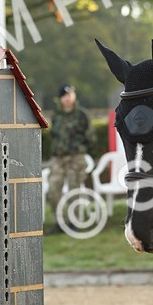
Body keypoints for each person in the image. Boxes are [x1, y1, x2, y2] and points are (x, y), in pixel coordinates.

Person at [45, 83, 92, 229]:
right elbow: (54, 135)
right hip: (58, 158)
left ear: (74, 95)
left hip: (76, 157)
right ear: (60, 99)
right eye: (64, 96)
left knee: (74, 189)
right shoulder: (56, 115)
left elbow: (90, 137)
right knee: (53, 189)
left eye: (70, 94)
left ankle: (75, 222)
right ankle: (60, 222)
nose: (68, 98)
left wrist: (82, 151)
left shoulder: (82, 115)